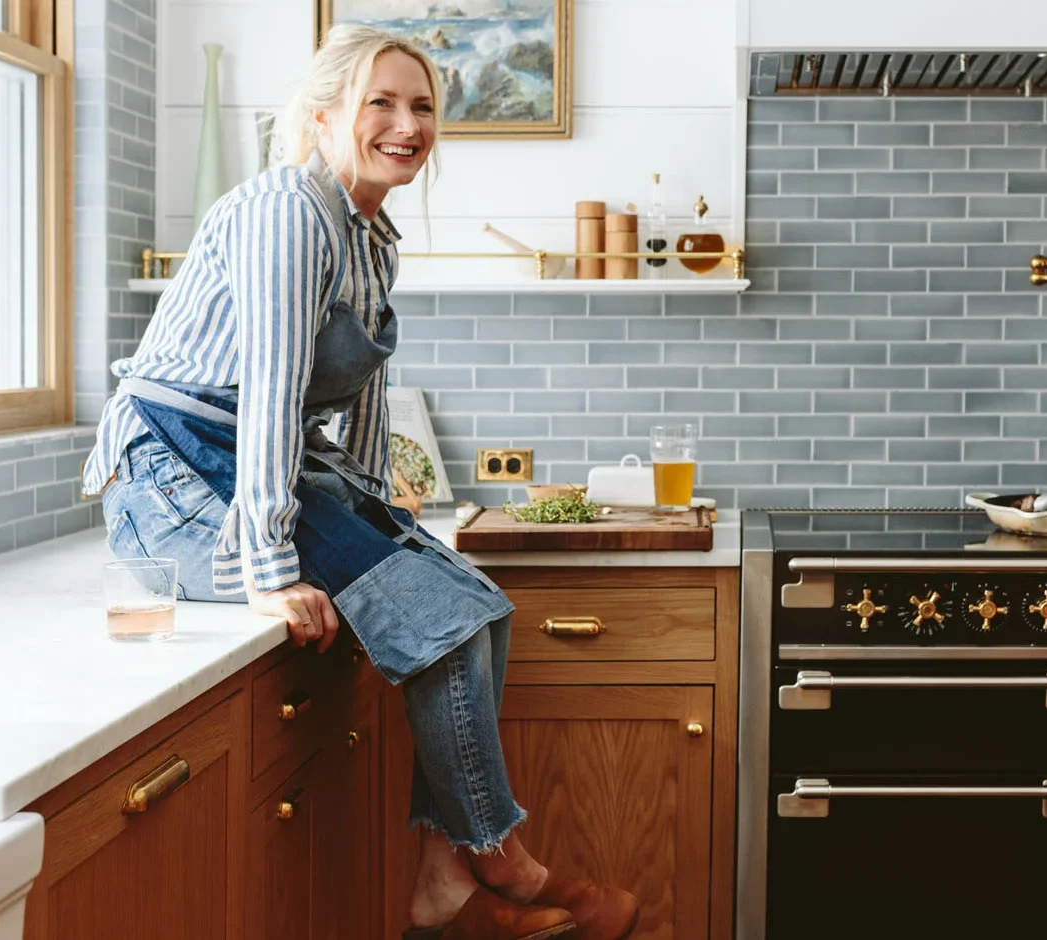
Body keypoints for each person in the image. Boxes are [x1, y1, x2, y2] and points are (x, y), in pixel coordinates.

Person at [82, 25, 639, 940]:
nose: (407, 123)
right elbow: (268, 388)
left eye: (422, 107)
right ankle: (497, 853)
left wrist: (382, 516)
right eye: (382, 102)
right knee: (436, 613)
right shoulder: (288, 214)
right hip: (168, 474)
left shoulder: (371, 234)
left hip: (263, 463)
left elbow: (362, 394)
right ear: (325, 115)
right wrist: (265, 568)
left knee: (479, 602)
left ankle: (440, 881)